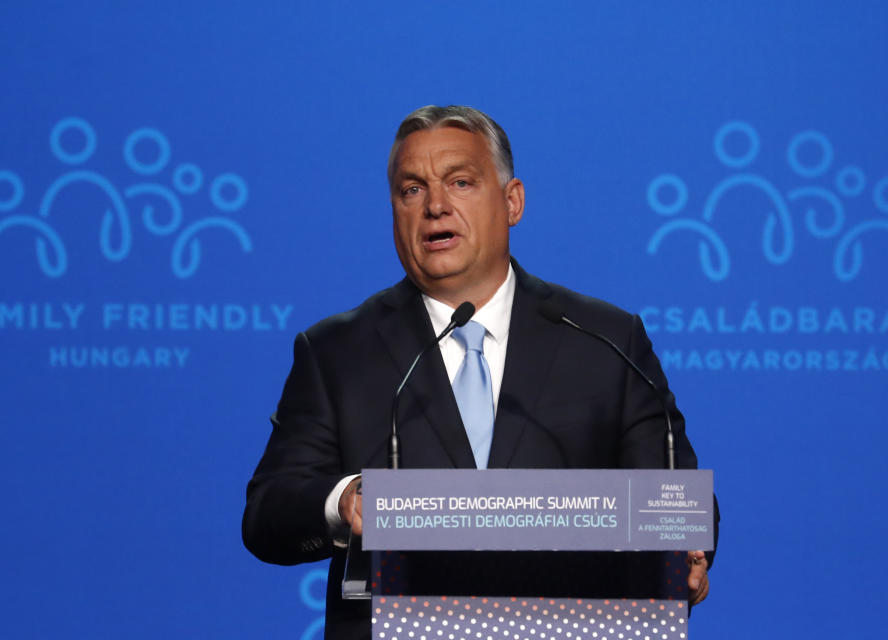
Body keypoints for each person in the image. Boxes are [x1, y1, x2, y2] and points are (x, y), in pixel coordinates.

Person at [243, 105, 715, 639]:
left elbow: (675, 498)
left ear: (512, 202)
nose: (435, 207)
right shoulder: (335, 351)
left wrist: (685, 550)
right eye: (411, 190)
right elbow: (267, 514)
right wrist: (344, 500)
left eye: (460, 182)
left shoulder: (605, 339)